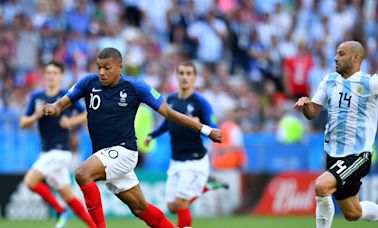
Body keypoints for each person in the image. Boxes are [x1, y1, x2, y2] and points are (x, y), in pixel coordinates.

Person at [43, 48, 222, 228]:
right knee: (139, 208)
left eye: (107, 68)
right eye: (99, 67)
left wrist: (206, 130)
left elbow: (168, 112)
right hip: (105, 154)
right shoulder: (88, 83)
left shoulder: (136, 87)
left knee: (83, 174)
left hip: (124, 151)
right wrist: (53, 107)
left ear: (119, 67)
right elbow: (60, 105)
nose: (101, 72)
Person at [293, 41, 378, 228]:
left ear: (355, 58)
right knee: (353, 212)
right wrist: (305, 104)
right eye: (336, 53)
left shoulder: (370, 82)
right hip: (333, 154)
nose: (335, 58)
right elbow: (312, 113)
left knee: (321, 186)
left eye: (341, 54)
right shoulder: (329, 80)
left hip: (358, 154)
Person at [144, 62, 228, 228]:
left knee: (181, 203)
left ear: (195, 78)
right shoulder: (172, 99)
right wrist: (152, 135)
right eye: (181, 73)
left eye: (189, 73)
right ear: (176, 76)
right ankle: (206, 186)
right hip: (176, 160)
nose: (184, 77)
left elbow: (215, 129)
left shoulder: (200, 103)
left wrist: (202, 126)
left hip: (195, 161)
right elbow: (168, 122)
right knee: (172, 207)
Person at [20, 60, 95, 228]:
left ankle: (60, 211)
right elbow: (23, 123)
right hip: (46, 152)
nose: (51, 76)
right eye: (48, 73)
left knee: (30, 181)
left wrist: (71, 122)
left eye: (54, 73)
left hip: (60, 151)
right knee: (68, 196)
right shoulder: (37, 97)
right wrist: (35, 116)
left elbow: (86, 114)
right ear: (45, 75)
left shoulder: (65, 96)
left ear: (60, 75)